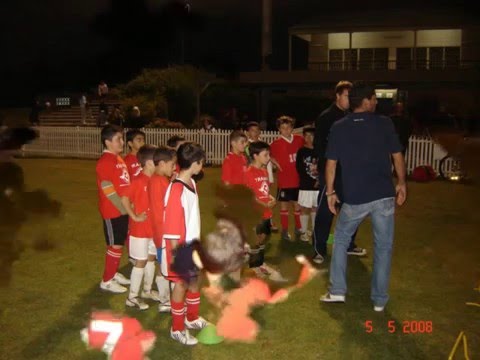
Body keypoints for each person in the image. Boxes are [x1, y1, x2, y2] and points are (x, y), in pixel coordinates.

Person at [319, 82, 407, 312]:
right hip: (383, 197)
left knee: (340, 239)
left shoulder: (340, 127)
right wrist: (402, 183)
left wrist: (330, 192)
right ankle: (379, 300)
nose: (377, 101)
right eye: (374, 98)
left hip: (355, 198)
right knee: (383, 247)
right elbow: (397, 155)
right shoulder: (384, 123)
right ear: (366, 101)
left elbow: (331, 163)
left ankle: (337, 291)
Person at [312, 81, 366, 264]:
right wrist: (324, 168)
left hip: (351, 171)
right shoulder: (326, 117)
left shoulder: (354, 116)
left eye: (351, 96)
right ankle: (319, 249)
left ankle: (349, 245)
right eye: (346, 96)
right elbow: (319, 146)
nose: (349, 100)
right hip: (331, 172)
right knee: (326, 210)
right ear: (337, 95)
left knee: (352, 209)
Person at [161, 142, 208, 345]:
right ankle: (177, 329)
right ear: (196, 163)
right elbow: (171, 228)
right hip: (179, 249)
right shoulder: (176, 191)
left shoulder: (192, 183)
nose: (203, 165)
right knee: (181, 286)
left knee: (195, 281)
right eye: (202, 162)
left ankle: (192, 317)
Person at [121, 145, 158, 310]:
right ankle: (132, 297)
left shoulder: (157, 180)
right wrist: (134, 216)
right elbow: (124, 199)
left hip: (153, 229)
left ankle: (147, 291)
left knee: (151, 259)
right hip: (140, 230)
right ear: (149, 163)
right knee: (141, 261)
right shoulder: (137, 180)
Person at [95, 124, 131, 293]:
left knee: (119, 243)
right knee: (115, 245)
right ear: (108, 142)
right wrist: (123, 207)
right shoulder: (105, 162)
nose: (122, 142)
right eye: (118, 139)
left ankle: (113, 273)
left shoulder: (118, 158)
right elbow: (107, 187)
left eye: (122, 138)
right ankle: (107, 280)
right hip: (113, 211)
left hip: (123, 209)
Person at [244, 141, 286, 282]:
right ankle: (254, 265)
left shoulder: (263, 171)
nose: (269, 157)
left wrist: (271, 198)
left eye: (268, 154)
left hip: (266, 211)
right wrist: (264, 204)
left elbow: (264, 190)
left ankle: (260, 263)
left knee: (264, 237)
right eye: (265, 155)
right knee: (256, 239)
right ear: (255, 156)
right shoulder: (249, 173)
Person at [149, 146, 177, 313]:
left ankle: (166, 298)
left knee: (164, 266)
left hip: (163, 233)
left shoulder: (160, 180)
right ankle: (165, 300)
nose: (174, 168)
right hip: (164, 234)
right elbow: (162, 210)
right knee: (167, 267)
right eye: (172, 165)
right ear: (161, 164)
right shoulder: (158, 182)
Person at [269, 115, 305, 242]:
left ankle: (298, 228)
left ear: (292, 128)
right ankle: (285, 230)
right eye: (283, 128)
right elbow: (268, 155)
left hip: (297, 180)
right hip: (284, 181)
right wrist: (275, 162)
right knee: (284, 207)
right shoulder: (275, 144)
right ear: (279, 129)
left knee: (297, 206)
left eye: (288, 127)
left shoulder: (299, 140)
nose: (286, 130)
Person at [245, 121, 278, 232]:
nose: (269, 158)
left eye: (257, 130)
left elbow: (266, 191)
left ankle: (268, 222)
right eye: (252, 130)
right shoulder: (247, 146)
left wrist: (271, 199)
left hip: (262, 177)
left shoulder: (262, 147)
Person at [295, 127, 318, 242]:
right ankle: (304, 231)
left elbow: (324, 166)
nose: (309, 138)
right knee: (304, 208)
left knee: (315, 207)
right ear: (303, 137)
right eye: (306, 135)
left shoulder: (320, 150)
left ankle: (314, 230)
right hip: (306, 185)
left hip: (318, 185)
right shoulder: (301, 151)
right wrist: (309, 181)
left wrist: (318, 180)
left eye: (311, 135)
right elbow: (299, 168)